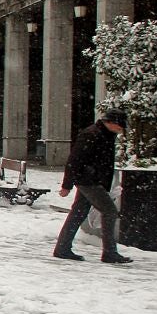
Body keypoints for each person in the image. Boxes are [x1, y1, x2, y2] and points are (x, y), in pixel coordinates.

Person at [54, 109, 132, 264]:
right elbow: (74, 160)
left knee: (78, 213)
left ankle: (62, 248)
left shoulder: (104, 134)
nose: (120, 130)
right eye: (119, 126)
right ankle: (109, 253)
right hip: (89, 181)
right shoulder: (91, 134)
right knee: (109, 211)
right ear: (111, 122)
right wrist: (66, 185)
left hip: (90, 180)